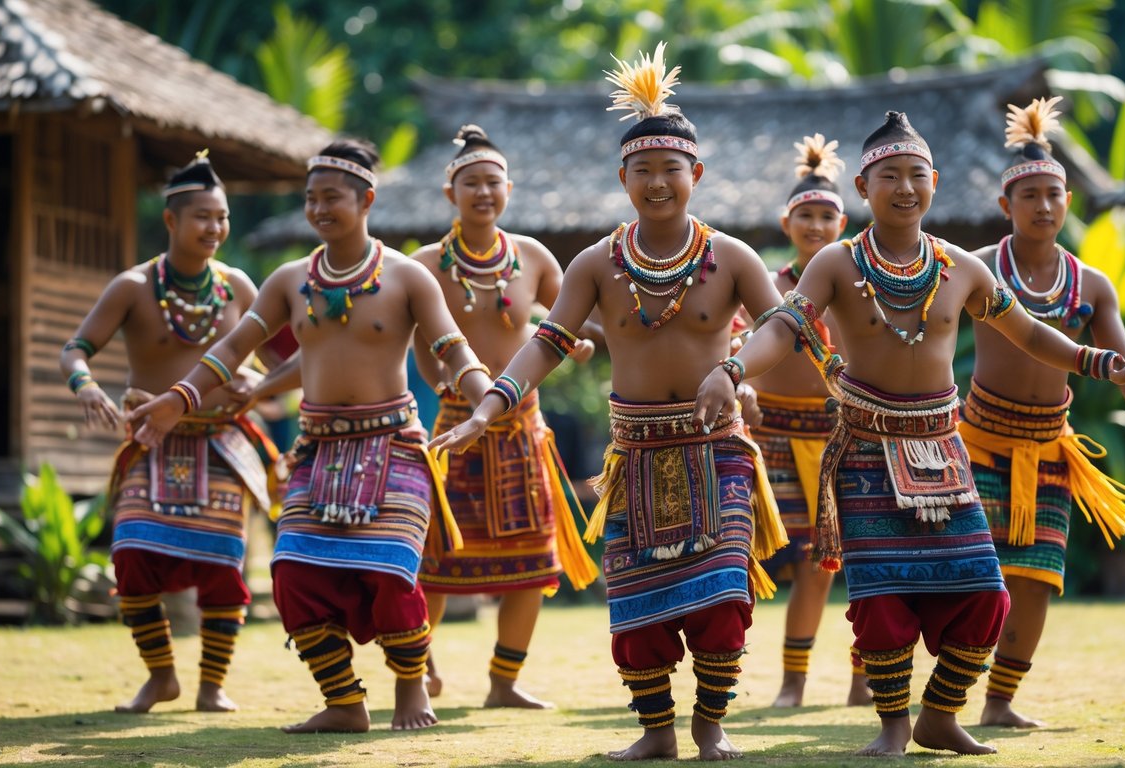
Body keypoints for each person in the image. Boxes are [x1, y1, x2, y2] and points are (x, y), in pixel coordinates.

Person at [688, 111, 1125, 757]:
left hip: (943, 449)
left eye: (916, 174)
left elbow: (1028, 331)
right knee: (882, 600)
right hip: (863, 450)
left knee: (983, 596)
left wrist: (1103, 362)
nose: (904, 187)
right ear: (863, 185)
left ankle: (939, 714)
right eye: (889, 175)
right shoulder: (835, 262)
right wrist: (733, 367)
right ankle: (890, 726)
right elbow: (784, 325)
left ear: (934, 183)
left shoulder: (961, 267)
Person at [430, 43, 787, 761]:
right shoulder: (596, 262)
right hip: (634, 455)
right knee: (637, 609)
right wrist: (487, 407)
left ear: (697, 174)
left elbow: (787, 326)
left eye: (671, 169)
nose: (658, 183)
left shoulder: (736, 257)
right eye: (644, 170)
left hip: (714, 448)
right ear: (623, 177)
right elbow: (549, 340)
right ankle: (655, 733)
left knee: (722, 595)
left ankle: (709, 728)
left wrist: (735, 370)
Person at [128, 138, 493, 734]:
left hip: (394, 444)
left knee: (393, 573)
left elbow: (455, 350)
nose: (319, 208)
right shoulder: (289, 280)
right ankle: (344, 701)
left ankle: (410, 688)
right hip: (318, 449)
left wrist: (483, 406)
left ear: (366, 199)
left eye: (332, 197)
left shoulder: (407, 277)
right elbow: (230, 350)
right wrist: (179, 397)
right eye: (310, 198)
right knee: (294, 572)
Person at [965, 97, 1125, 728]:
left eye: (1054, 193)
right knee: (969, 575)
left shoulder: (1093, 285)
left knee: (1037, 577)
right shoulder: (979, 271)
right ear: (1005, 206)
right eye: (1030, 195)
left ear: (1068, 201)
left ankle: (1000, 704)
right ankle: (940, 693)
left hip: (1052, 447)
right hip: (976, 442)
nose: (1044, 205)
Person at [59, 152, 274, 715]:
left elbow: (283, 356)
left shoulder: (239, 287)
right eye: (203, 216)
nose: (215, 229)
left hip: (222, 443)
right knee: (130, 556)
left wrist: (259, 382)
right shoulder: (133, 286)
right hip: (152, 443)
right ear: (172, 220)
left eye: (222, 217)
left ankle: (212, 683)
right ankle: (161, 676)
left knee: (225, 567)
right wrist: (85, 387)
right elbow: (75, 349)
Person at [410, 125, 599, 709]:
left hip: (522, 428)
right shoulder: (424, 265)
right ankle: (416, 667)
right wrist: (437, 377)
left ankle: (504, 682)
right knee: (435, 562)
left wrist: (580, 341)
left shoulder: (535, 256)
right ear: (451, 193)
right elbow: (421, 336)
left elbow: (566, 316)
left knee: (534, 563)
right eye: (471, 183)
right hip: (453, 426)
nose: (483, 192)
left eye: (493, 182)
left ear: (508, 189)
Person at [748, 134, 872, 708]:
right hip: (770, 435)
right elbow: (739, 343)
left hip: (840, 434)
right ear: (786, 221)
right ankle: (791, 683)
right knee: (783, 560)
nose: (817, 226)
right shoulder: (764, 288)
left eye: (827, 216)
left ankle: (864, 680)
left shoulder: (856, 286)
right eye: (806, 215)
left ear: (843, 221)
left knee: (849, 558)